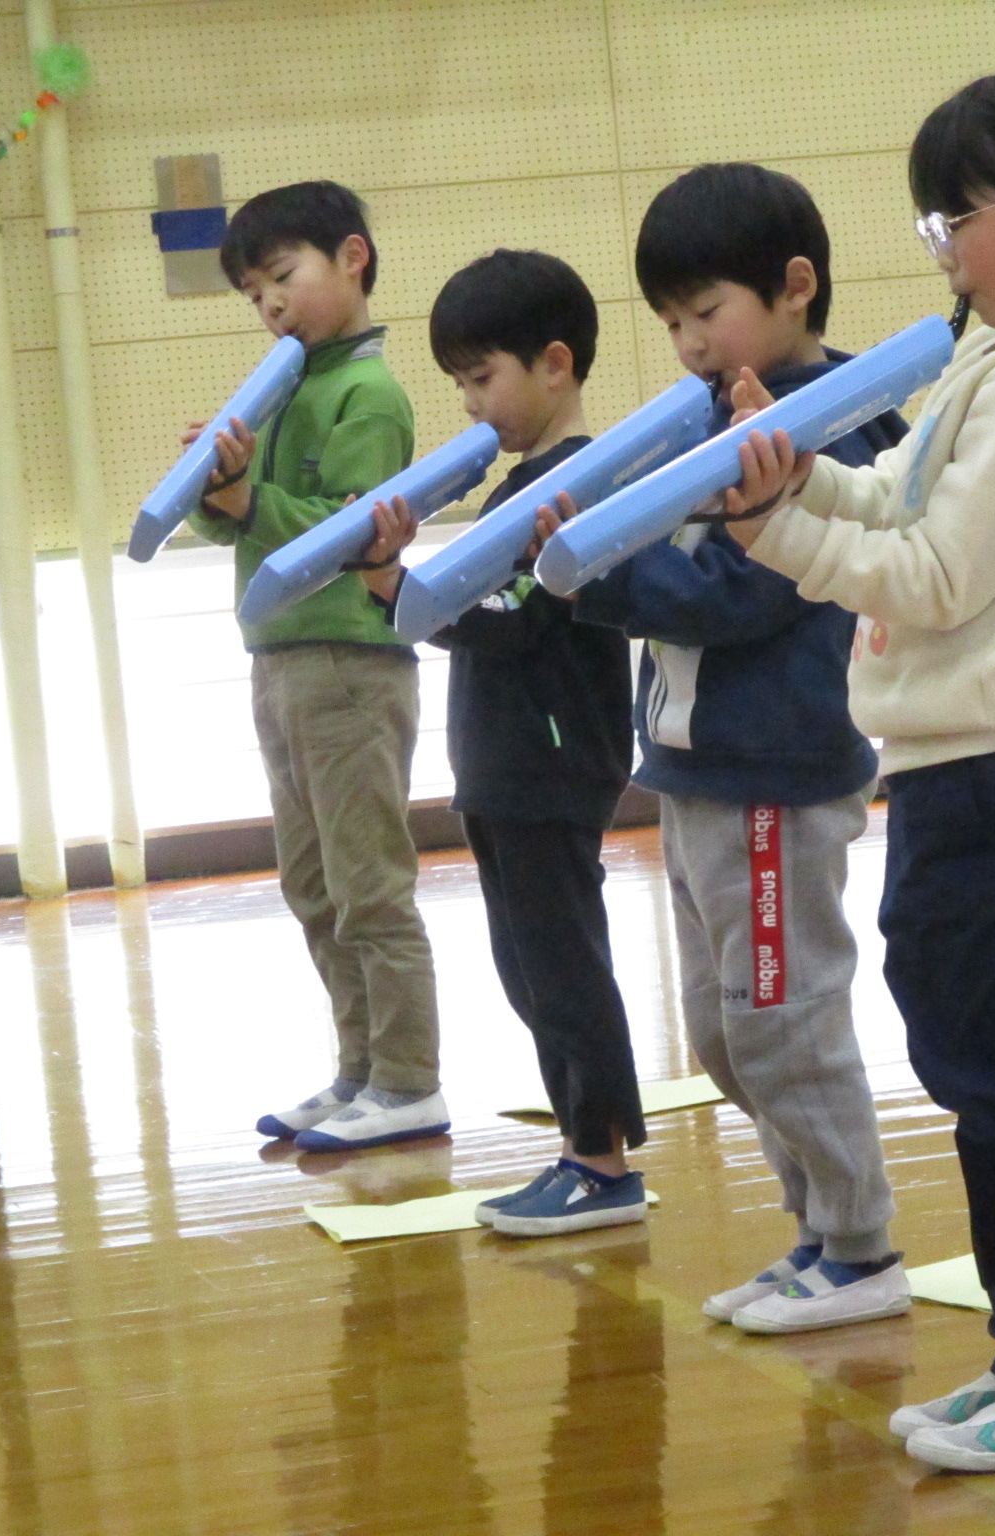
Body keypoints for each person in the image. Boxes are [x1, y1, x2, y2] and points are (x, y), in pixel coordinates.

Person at [715, 69, 995, 1471]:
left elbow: (938, 572)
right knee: (984, 1081)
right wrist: (790, 473)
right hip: (968, 770)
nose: (943, 252)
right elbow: (903, 493)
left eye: (954, 219)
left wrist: (775, 534)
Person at [555, 163, 910, 1333]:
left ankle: (859, 1248)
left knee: (782, 1014)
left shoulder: (829, 424)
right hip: (695, 770)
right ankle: (813, 1228)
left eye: (706, 312)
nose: (688, 343)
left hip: (775, 775)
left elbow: (734, 592)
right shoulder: (713, 424)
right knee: (722, 1031)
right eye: (670, 323)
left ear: (794, 288)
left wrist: (594, 576)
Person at [356, 250, 649, 1236]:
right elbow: (485, 609)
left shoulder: (574, 483)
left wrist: (400, 591)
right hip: (507, 766)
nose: (471, 404)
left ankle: (599, 1160)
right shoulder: (520, 484)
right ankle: (585, 1146)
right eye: (459, 384)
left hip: (551, 761)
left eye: (482, 378)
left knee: (559, 964)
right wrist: (407, 591)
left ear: (554, 363)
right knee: (530, 966)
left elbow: (515, 616)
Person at [188, 180, 448, 1153]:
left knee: (368, 883)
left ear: (352, 258)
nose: (271, 305)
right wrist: (222, 495)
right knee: (313, 884)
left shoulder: (366, 392)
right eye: (254, 293)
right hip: (284, 659)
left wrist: (248, 501)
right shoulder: (288, 386)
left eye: (282, 276)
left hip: (347, 660)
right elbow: (258, 524)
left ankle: (410, 1078)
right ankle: (360, 1071)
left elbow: (348, 534)